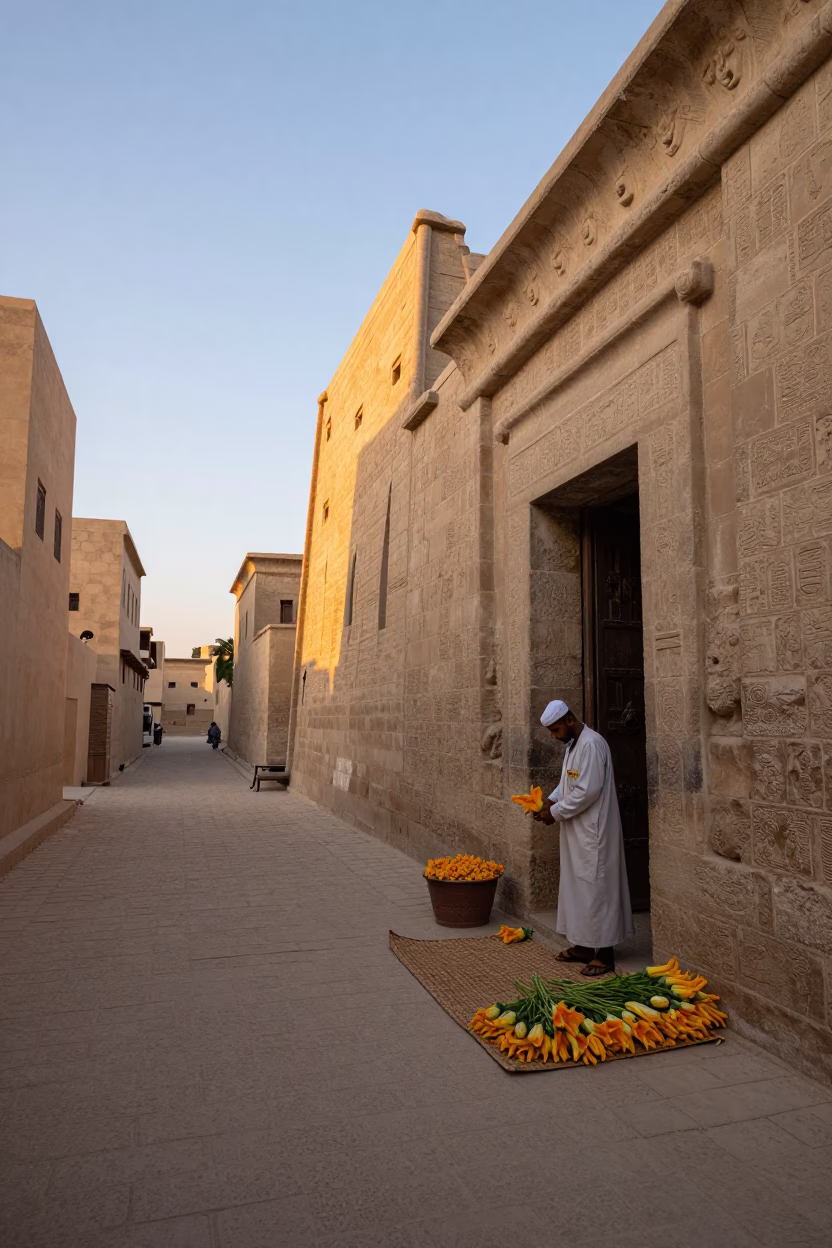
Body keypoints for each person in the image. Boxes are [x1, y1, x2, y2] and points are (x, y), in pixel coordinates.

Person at [534, 699, 633, 977]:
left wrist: (555, 812)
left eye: (555, 731)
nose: (554, 737)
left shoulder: (591, 743)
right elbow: (568, 782)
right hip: (576, 831)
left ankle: (605, 953)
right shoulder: (574, 745)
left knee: (596, 888)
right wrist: (548, 802)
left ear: (568, 720)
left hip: (594, 832)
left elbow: (587, 791)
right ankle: (584, 947)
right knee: (578, 888)